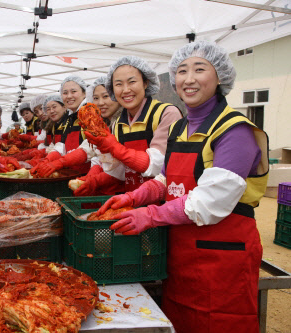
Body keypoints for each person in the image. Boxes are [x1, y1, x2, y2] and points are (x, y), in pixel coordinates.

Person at [97, 41, 269, 333]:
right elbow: (167, 180)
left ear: (220, 78)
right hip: (181, 253)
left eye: (199, 69)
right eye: (181, 71)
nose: (188, 79)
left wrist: (149, 215)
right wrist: (134, 195)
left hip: (222, 258)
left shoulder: (235, 131)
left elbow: (208, 201)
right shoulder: (181, 127)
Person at [84, 56, 183, 192]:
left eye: (132, 82)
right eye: (118, 84)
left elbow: (159, 165)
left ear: (145, 83)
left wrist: (114, 147)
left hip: (161, 205)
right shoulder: (118, 124)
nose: (125, 90)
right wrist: (97, 172)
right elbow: (120, 172)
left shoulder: (165, 114)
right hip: (131, 203)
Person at [72, 76, 127, 196]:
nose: (101, 103)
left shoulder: (124, 122)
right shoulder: (102, 123)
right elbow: (99, 154)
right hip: (108, 191)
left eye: (106, 96)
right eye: (96, 98)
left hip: (126, 192)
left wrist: (96, 180)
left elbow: (125, 163)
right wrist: (95, 169)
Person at [30, 76, 90, 176]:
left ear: (84, 93)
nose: (69, 96)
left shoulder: (90, 114)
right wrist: (47, 160)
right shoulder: (70, 119)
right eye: (65, 93)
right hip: (72, 174)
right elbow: (62, 145)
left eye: (73, 91)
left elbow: (90, 148)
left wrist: (59, 162)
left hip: (86, 174)